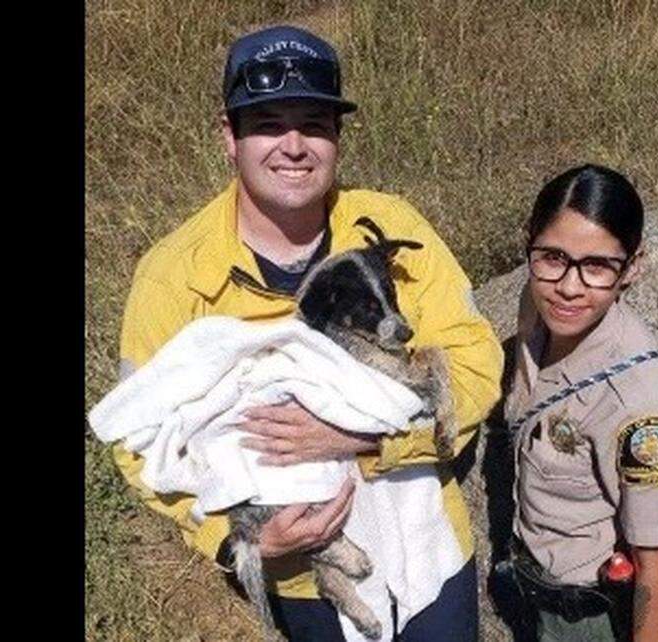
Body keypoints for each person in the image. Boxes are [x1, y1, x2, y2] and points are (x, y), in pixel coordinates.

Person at [109, 24, 503, 642]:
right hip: (299, 569)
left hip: (427, 545)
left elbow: (475, 363)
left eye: (314, 124)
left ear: (337, 138)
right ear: (228, 138)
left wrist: (360, 438)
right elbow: (137, 442)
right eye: (267, 122)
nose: (294, 145)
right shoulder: (174, 273)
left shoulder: (392, 226)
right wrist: (239, 538)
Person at [503, 164, 658, 641]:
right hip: (530, 580)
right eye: (552, 257)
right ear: (530, 244)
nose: (569, 286)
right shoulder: (537, 304)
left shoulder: (640, 402)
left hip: (584, 614)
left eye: (598, 266)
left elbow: (655, 564)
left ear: (633, 267)